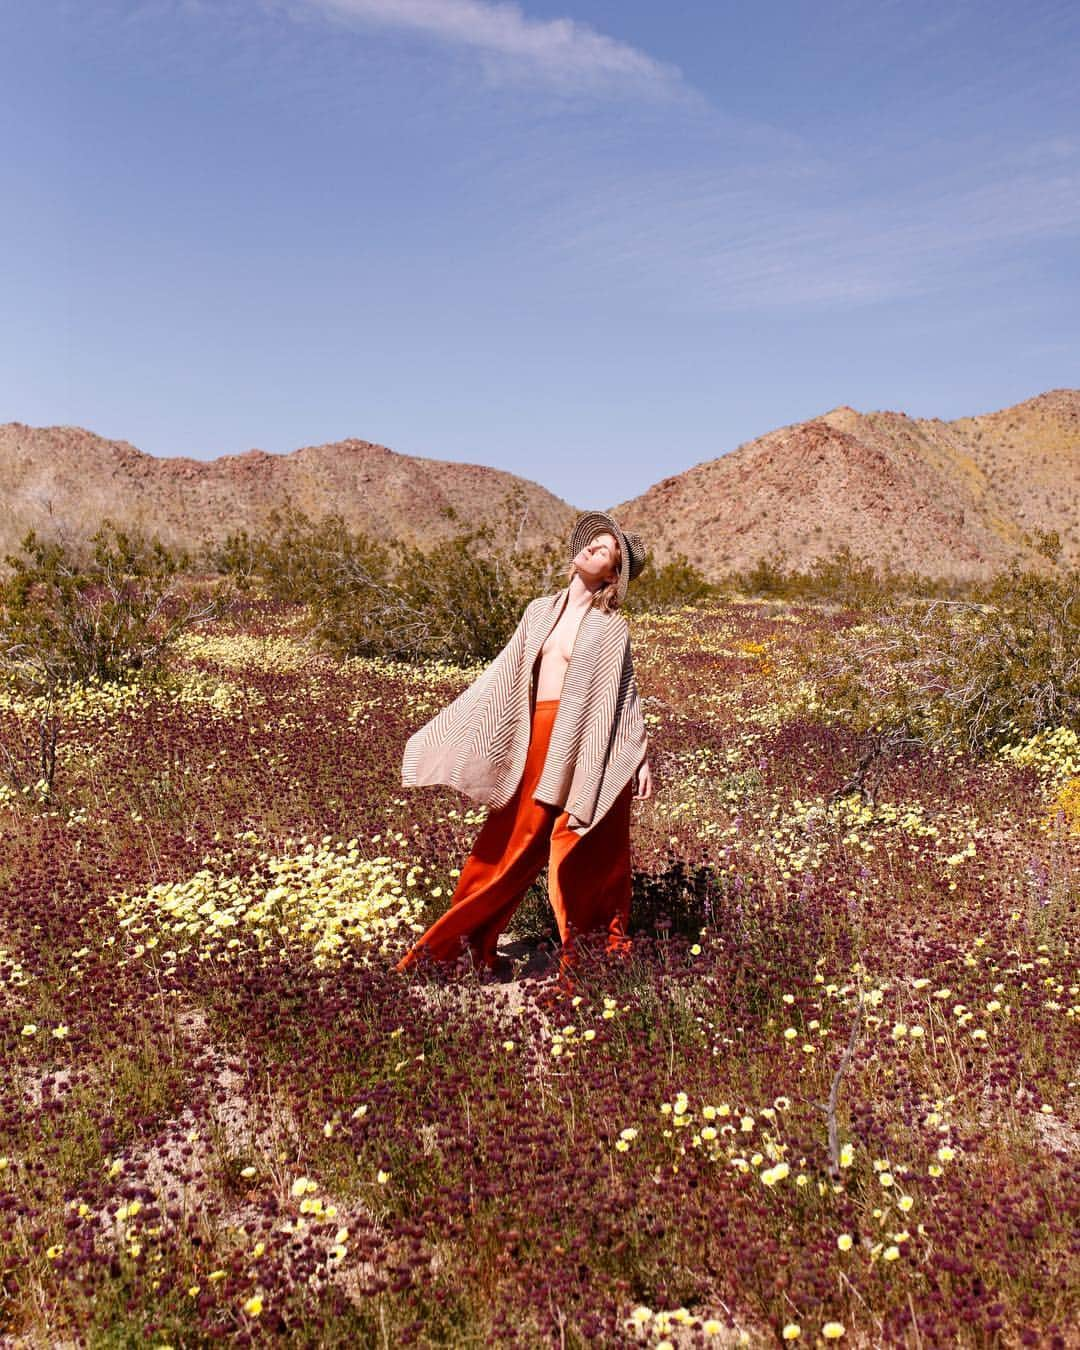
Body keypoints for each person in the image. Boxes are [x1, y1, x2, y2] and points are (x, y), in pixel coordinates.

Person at [394, 510, 653, 980]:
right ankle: (458, 949)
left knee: (582, 847)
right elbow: (505, 673)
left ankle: (594, 959)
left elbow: (624, 690)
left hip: (582, 741)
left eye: (606, 549)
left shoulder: (611, 626)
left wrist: (639, 754)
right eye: (592, 541)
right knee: (508, 846)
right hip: (533, 736)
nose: (594, 548)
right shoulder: (539, 610)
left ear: (614, 573)